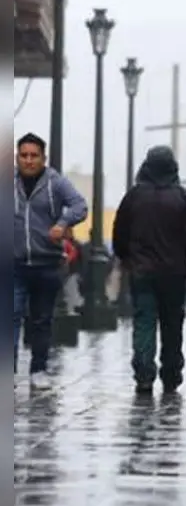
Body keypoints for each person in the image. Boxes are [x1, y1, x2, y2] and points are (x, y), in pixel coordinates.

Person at [112, 146, 186, 395]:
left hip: (142, 272)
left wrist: (125, 257)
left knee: (144, 321)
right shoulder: (183, 198)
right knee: (171, 324)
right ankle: (171, 374)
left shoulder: (134, 197)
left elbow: (119, 232)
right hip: (173, 273)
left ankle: (144, 373)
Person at [13, 132, 88, 388]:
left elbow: (80, 205)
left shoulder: (55, 182)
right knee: (11, 316)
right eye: (24, 155)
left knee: (42, 319)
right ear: (17, 157)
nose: (29, 160)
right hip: (14, 264)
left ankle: (38, 369)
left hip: (46, 264)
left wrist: (63, 223)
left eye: (34, 156)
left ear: (43, 158)